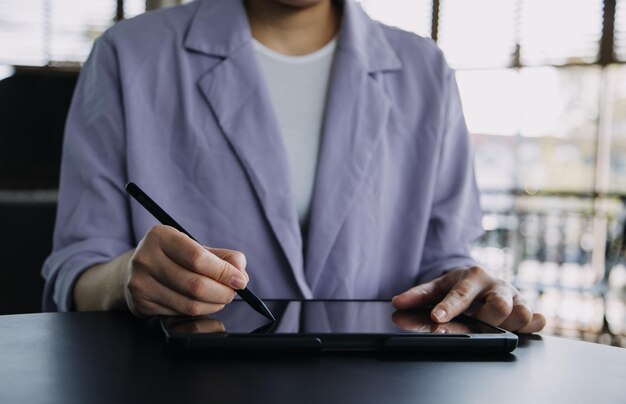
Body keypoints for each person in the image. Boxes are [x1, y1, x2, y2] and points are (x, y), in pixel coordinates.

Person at [42, 0, 546, 333]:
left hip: (379, 396)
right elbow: (75, 269)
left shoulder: (425, 70)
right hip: (186, 393)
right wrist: (126, 279)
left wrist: (463, 289)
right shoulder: (128, 56)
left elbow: (440, 259)